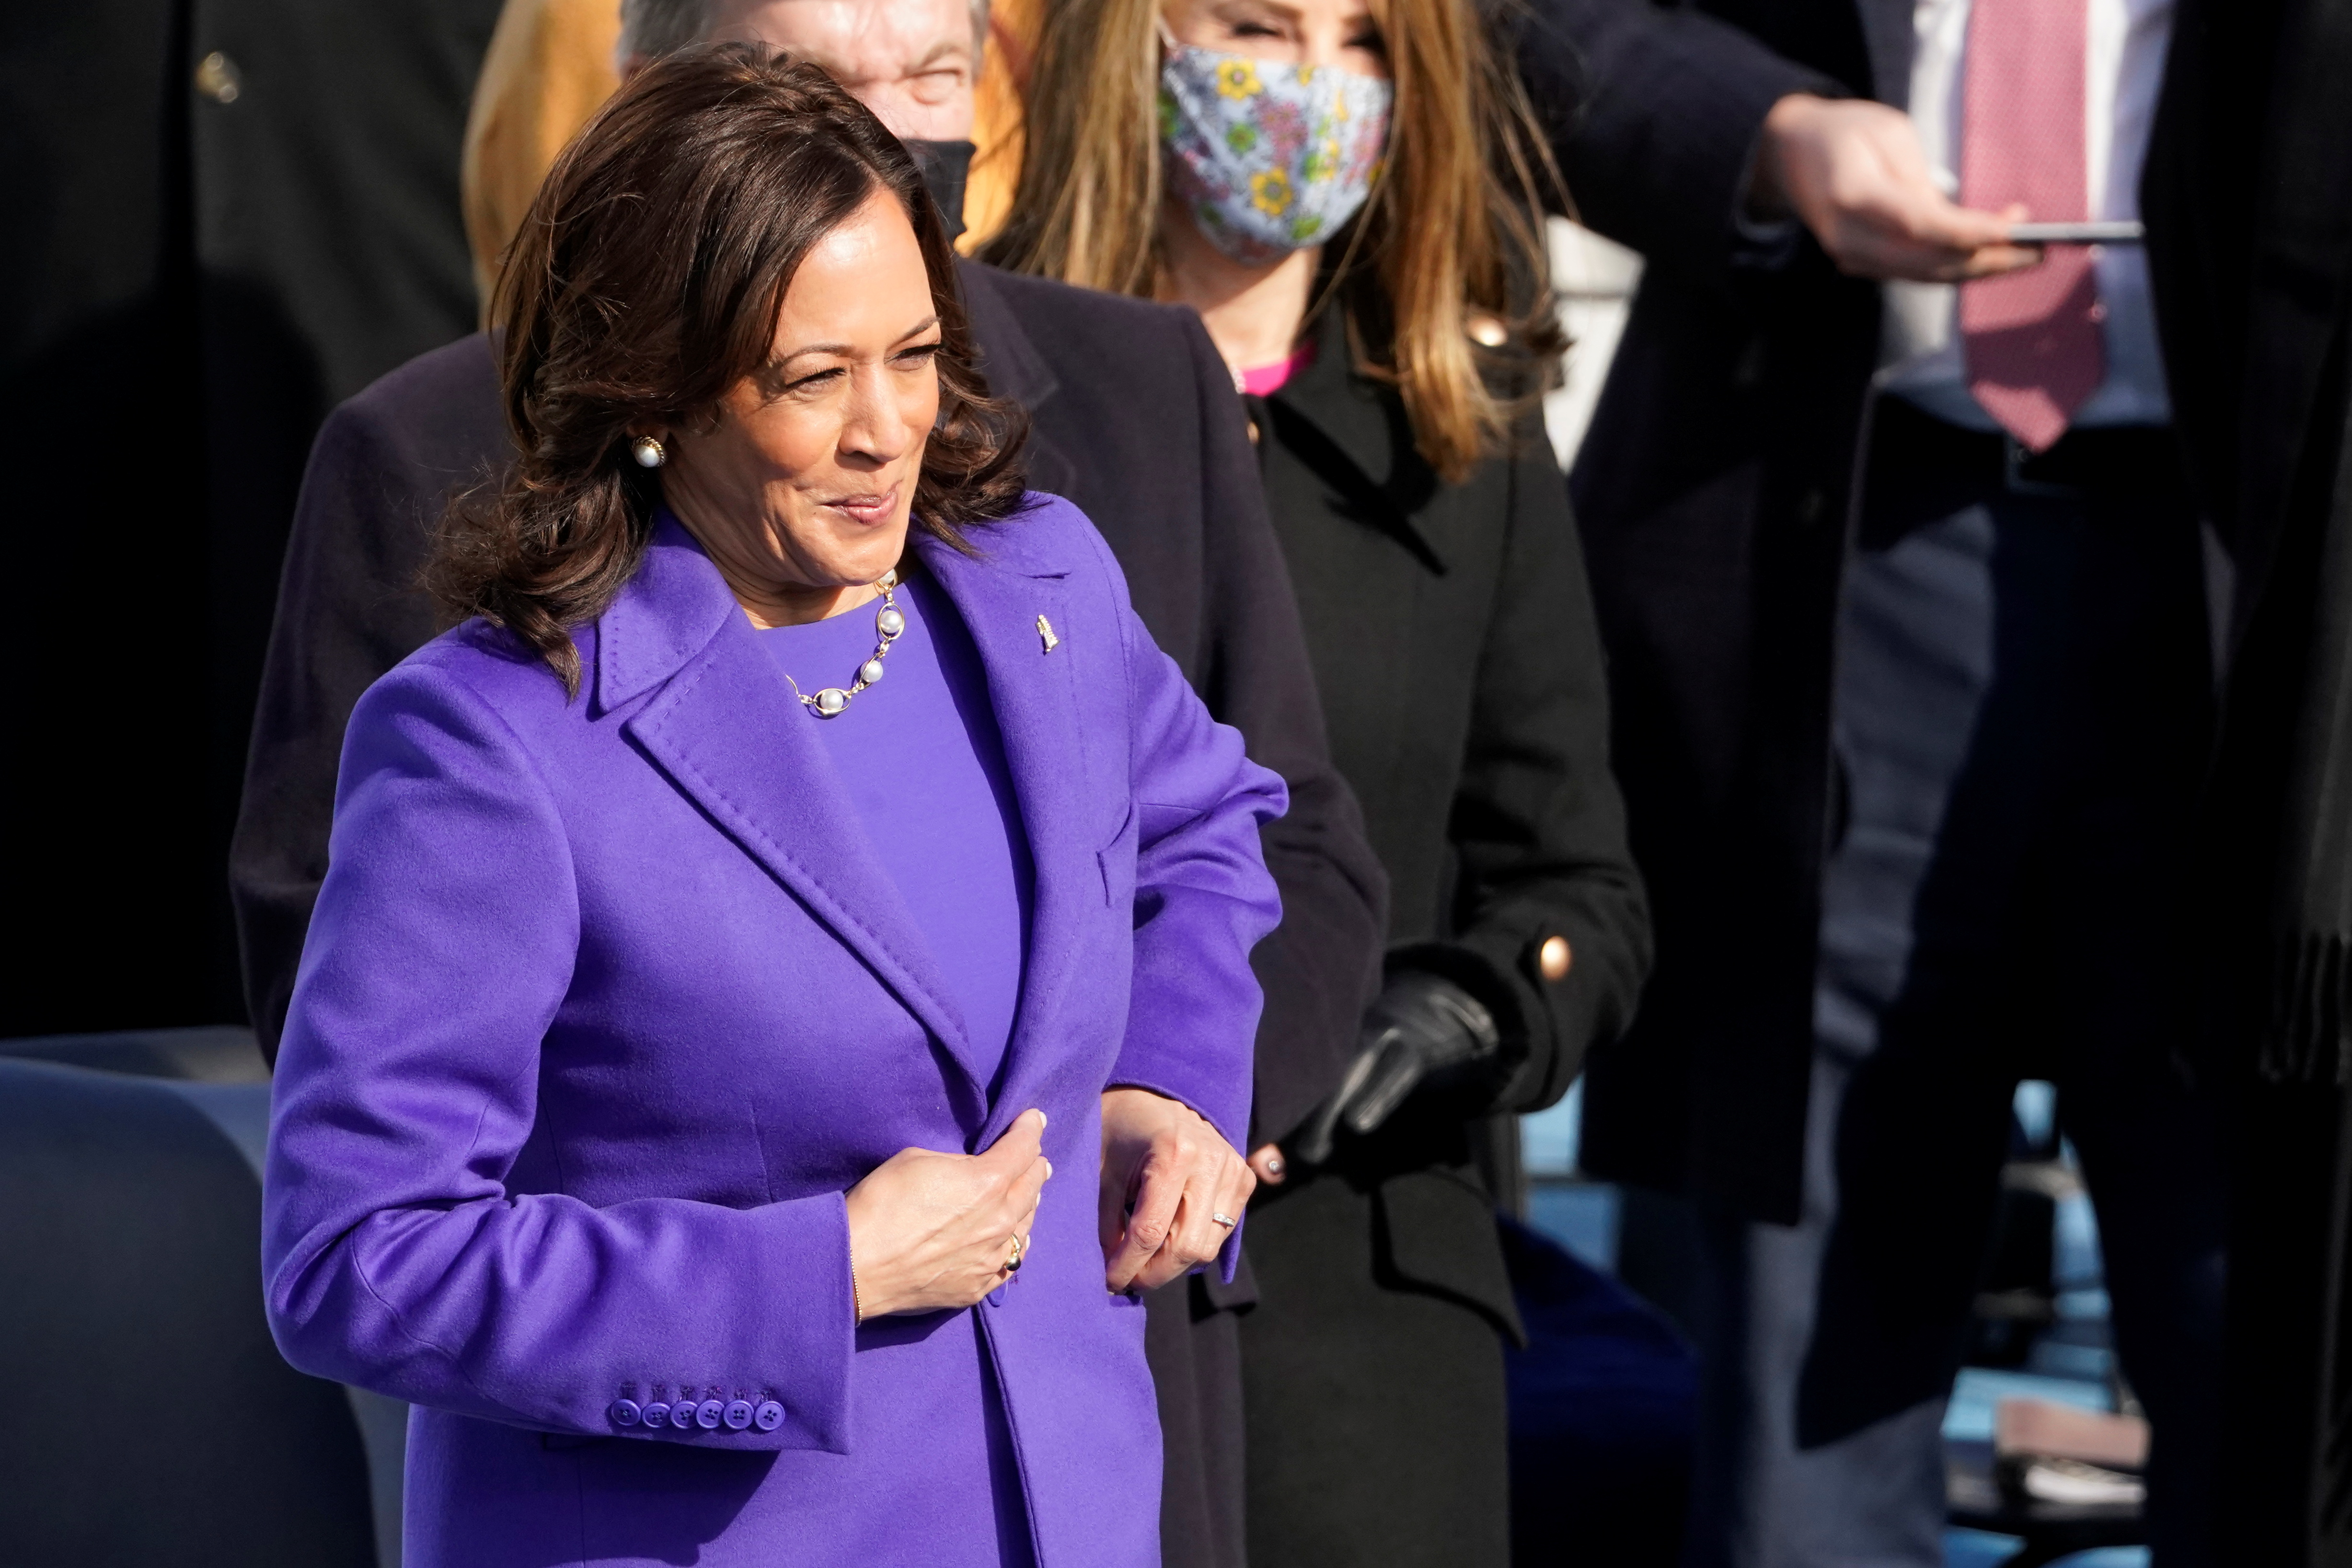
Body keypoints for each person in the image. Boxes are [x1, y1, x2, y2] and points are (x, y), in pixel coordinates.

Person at [230, 4, 1386, 1563]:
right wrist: (819, 1274)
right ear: (654, 398)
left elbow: (1214, 824)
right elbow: (359, 1259)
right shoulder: (490, 739)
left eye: (913, 356)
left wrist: (1167, 1085)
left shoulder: (1035, 586)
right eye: (810, 377)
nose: (886, 430)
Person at [1504, 0, 2232, 1559]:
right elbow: (1517, 29)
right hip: (1840, 558)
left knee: (2257, 1333)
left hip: (2246, 588)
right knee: (1804, 1368)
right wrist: (1767, 138)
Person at [984, 0, 1652, 1562]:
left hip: (1357, 1287)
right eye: (1256, 26)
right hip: (1037, 1259)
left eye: (1364, 41)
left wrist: (1452, 1019)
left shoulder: (1462, 423)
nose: (1311, 84)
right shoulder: (962, 384)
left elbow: (1580, 886)